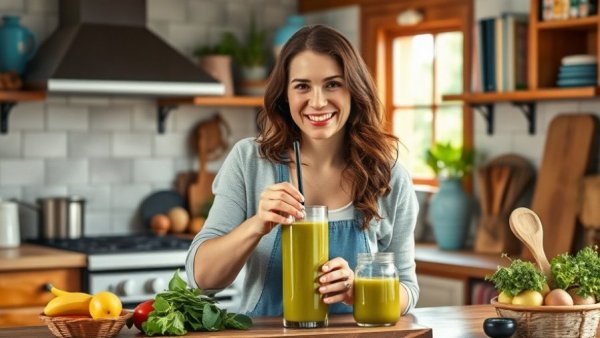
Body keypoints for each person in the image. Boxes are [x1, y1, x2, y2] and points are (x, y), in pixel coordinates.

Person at [185, 24, 420, 316]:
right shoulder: (250, 161)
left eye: (333, 84)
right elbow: (202, 280)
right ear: (285, 94)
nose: (318, 102)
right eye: (302, 86)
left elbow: (408, 289)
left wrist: (359, 288)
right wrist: (257, 224)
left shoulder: (389, 175)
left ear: (354, 90)